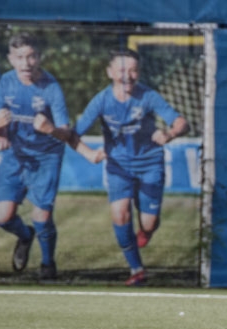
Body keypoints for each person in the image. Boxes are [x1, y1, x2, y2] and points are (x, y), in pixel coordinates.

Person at [75, 48, 190, 286]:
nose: (127, 76)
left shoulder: (148, 96)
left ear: (139, 72)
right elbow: (73, 133)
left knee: (149, 223)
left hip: (150, 164)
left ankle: (146, 231)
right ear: (109, 72)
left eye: (133, 70)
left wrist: (169, 134)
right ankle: (136, 268)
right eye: (121, 70)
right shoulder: (101, 100)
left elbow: (181, 122)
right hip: (118, 166)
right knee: (120, 214)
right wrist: (88, 153)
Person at [0, 32, 71, 281]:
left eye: (31, 56)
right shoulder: (5, 82)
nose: (26, 63)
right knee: (3, 218)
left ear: (39, 57)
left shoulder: (51, 87)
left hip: (46, 157)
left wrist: (51, 129)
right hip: (15, 155)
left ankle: (47, 264)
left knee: (42, 216)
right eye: (20, 57)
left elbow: (65, 132)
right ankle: (25, 236)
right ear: (11, 59)